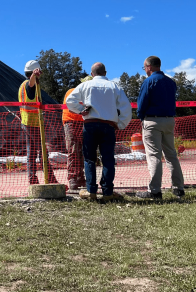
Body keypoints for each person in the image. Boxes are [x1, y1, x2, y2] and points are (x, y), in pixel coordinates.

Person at [65, 63, 131, 201]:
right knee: (108, 159)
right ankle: (107, 192)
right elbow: (126, 108)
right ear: (105, 73)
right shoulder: (115, 87)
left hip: (90, 125)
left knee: (89, 159)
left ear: (92, 74)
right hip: (109, 126)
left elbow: (70, 101)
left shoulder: (85, 86)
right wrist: (120, 124)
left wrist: (80, 110)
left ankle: (91, 191)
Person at [135, 56, 185, 199]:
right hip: (169, 120)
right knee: (171, 155)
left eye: (144, 67)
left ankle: (155, 190)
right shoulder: (171, 82)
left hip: (152, 121)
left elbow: (142, 103)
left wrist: (141, 117)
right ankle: (178, 188)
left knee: (154, 156)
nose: (144, 70)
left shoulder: (148, 82)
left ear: (149, 67)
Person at [18, 60, 59, 185]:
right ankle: (50, 179)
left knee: (31, 152)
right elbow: (30, 85)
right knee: (42, 152)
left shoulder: (22, 85)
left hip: (27, 122)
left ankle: (32, 180)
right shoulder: (28, 85)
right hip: (32, 123)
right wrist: (34, 77)